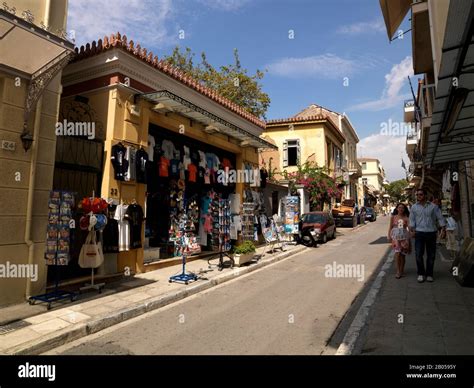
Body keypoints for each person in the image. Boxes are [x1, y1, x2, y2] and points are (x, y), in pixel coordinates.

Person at [409, 188, 446, 283]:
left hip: (431, 233)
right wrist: (412, 230)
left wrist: (443, 229)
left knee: (431, 255)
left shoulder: (433, 206)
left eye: (420, 194)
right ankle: (421, 273)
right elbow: (412, 220)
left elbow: (440, 218)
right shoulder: (414, 207)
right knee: (418, 255)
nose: (418, 196)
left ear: (425, 195)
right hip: (419, 233)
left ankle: (429, 274)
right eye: (417, 195)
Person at [387, 203, 410, 279]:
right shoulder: (393, 217)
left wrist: (411, 234)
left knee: (403, 255)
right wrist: (389, 236)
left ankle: (402, 270)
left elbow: (409, 229)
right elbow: (390, 227)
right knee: (398, 254)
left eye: (402, 208)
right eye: (399, 207)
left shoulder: (406, 218)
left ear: (404, 209)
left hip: (404, 237)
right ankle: (398, 271)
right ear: (397, 209)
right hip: (396, 238)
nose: (401, 209)